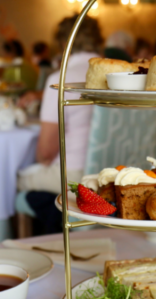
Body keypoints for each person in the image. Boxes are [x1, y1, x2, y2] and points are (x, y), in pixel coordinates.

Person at [17, 14, 104, 194]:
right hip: (115, 173)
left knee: (14, 179)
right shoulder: (117, 76)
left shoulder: (60, 81)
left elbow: (46, 154)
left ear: (64, 43)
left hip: (74, 178)